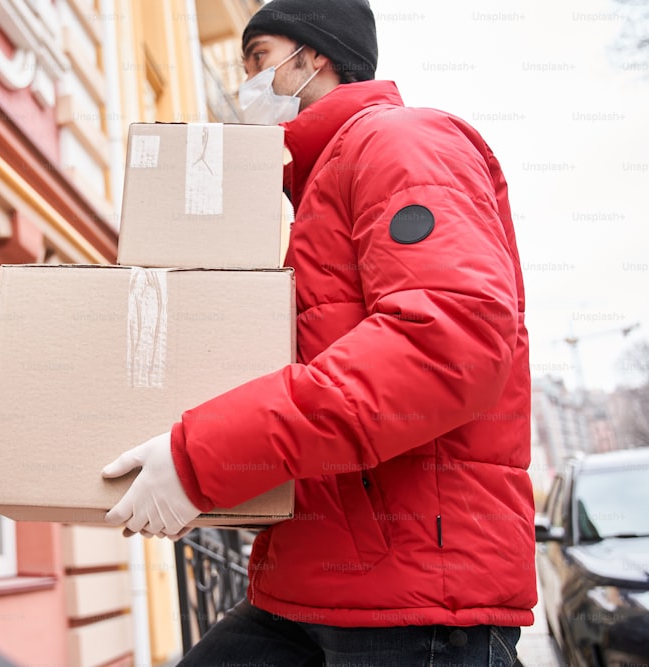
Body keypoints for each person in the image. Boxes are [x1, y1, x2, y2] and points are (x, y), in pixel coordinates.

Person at [102, 0, 536, 663]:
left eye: (258, 58)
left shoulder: (402, 141)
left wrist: (202, 458)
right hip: (310, 582)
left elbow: (447, 343)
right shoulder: (312, 199)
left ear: (315, 57)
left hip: (415, 604)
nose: (246, 81)